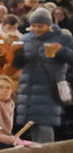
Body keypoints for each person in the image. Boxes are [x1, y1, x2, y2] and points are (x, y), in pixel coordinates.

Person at [11, 8, 73, 143]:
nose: (36, 29)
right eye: (33, 26)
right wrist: (16, 53)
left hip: (50, 87)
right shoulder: (25, 38)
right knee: (32, 124)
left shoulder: (63, 38)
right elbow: (19, 64)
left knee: (45, 123)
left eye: (40, 26)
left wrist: (61, 50)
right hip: (27, 87)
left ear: (49, 25)